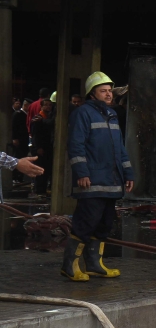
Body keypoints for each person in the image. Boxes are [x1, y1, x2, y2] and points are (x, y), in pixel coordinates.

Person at [64, 71, 135, 281]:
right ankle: (69, 266)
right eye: (103, 91)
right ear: (92, 94)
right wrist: (82, 173)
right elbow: (75, 145)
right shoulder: (83, 113)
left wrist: (128, 173)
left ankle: (95, 265)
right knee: (85, 223)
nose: (109, 94)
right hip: (92, 182)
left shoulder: (111, 114)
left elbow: (120, 149)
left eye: (109, 91)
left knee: (104, 224)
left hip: (111, 182)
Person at [29, 96, 54, 197]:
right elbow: (35, 135)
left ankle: (44, 189)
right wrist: (38, 147)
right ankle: (39, 190)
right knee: (40, 168)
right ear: (41, 106)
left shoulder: (48, 118)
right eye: (46, 105)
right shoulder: (37, 118)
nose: (48, 107)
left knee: (47, 169)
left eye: (50, 105)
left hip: (48, 147)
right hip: (40, 147)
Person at [11, 98, 28, 182]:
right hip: (18, 140)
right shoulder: (17, 114)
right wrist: (14, 138)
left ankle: (20, 177)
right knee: (17, 157)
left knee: (23, 157)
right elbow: (13, 127)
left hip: (24, 140)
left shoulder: (26, 114)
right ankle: (14, 177)